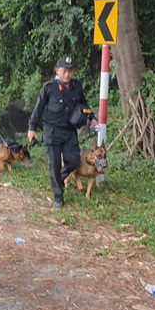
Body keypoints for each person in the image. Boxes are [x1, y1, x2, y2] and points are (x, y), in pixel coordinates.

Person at [27, 56, 98, 208]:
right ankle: (58, 196)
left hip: (69, 131)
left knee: (73, 161)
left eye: (70, 71)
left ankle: (57, 180)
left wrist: (92, 118)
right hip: (51, 131)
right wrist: (32, 128)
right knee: (54, 164)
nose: (67, 74)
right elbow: (37, 109)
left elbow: (83, 104)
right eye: (64, 71)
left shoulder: (77, 86)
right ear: (57, 71)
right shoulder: (48, 88)